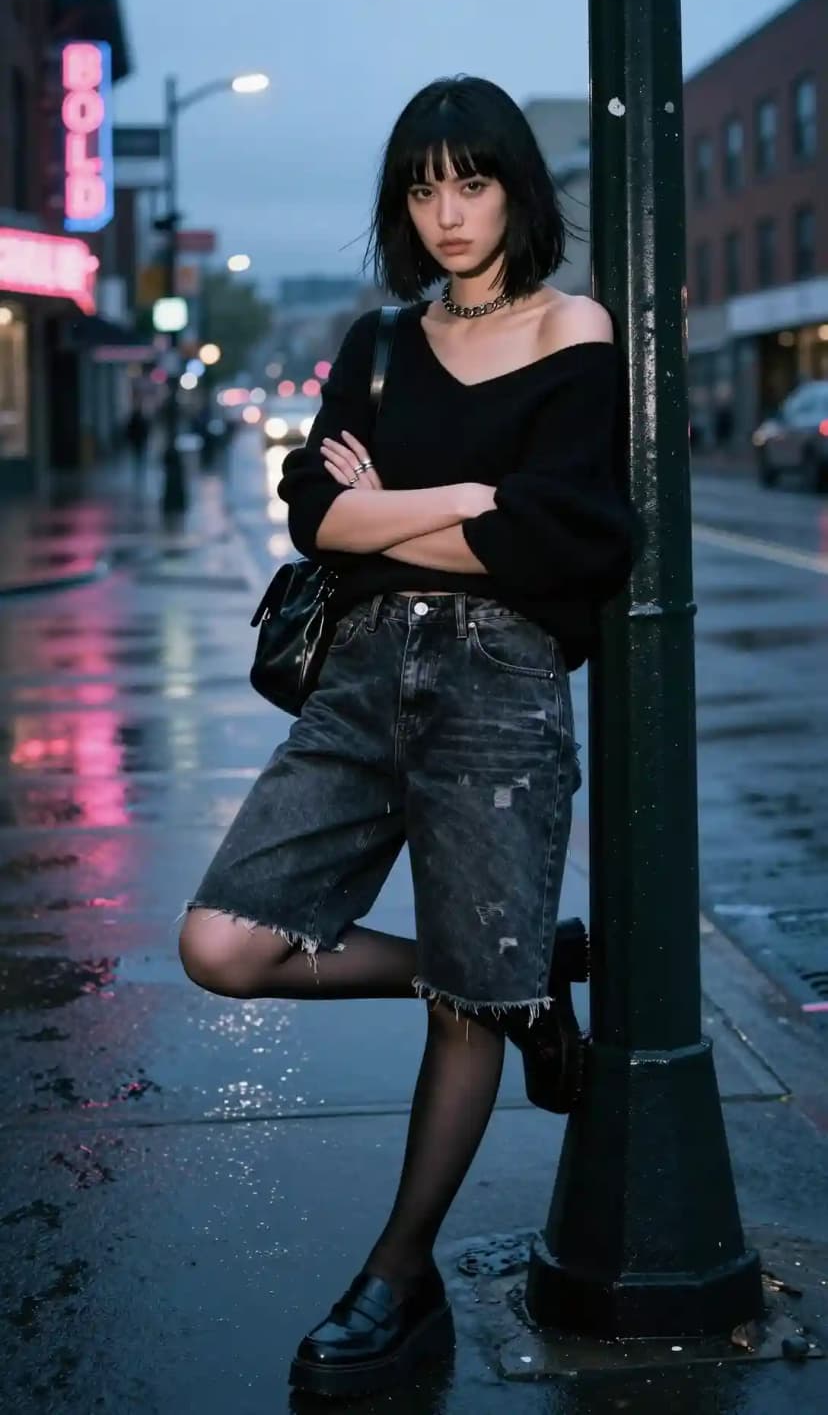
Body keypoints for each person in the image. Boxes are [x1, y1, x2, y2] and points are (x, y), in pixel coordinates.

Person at [178, 75, 640, 1400]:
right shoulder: (376, 342)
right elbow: (313, 513)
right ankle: (514, 976)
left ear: (515, 190)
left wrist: (402, 509)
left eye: (473, 180)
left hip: (501, 684)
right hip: (363, 676)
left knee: (462, 1007)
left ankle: (399, 1264)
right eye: (424, 185)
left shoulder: (575, 327)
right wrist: (469, 498)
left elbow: (569, 530)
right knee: (222, 944)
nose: (448, 211)